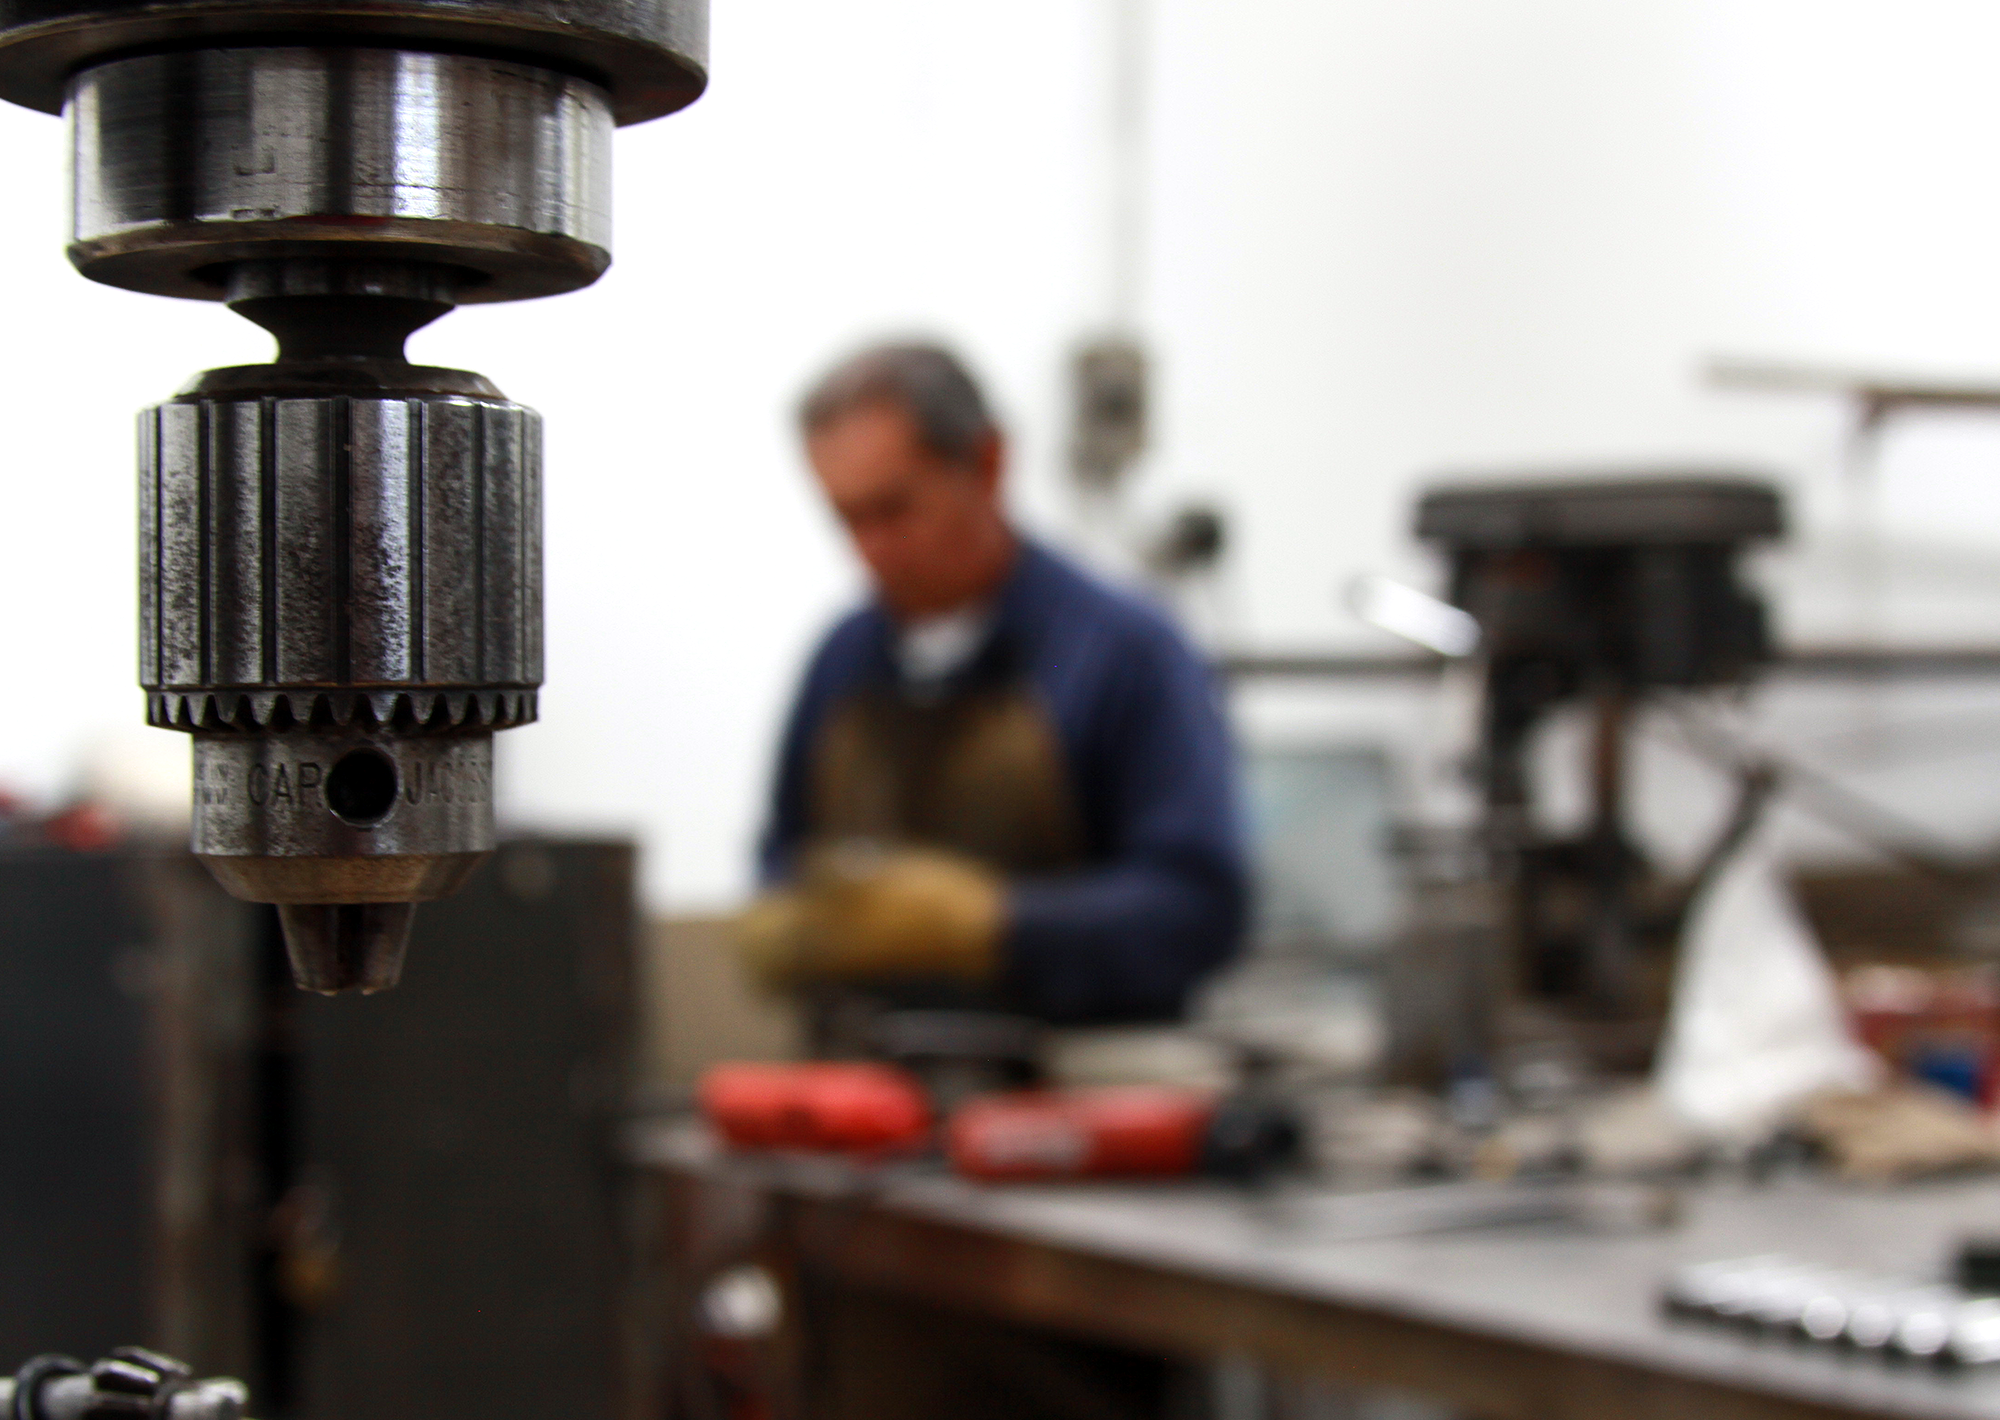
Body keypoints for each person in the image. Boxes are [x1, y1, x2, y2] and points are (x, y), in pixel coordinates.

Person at [740, 340, 1247, 1029]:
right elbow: (783, 854)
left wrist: (991, 924)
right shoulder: (842, 659)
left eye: (893, 510)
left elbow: (1199, 909)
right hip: (871, 1095)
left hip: (1081, 1094)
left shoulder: (1126, 652)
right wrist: (789, 919)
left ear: (987, 463)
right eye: (848, 519)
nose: (871, 548)